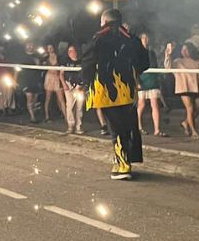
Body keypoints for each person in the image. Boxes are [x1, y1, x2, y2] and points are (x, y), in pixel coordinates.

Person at [82, 10, 149, 181]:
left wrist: (87, 83)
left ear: (104, 20)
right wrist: (131, 74)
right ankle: (125, 161)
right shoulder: (130, 37)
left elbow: (88, 62)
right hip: (128, 90)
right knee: (128, 127)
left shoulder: (99, 37)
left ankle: (122, 165)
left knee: (116, 128)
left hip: (107, 91)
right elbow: (145, 62)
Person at [166, 42, 199, 139]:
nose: (184, 51)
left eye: (186, 49)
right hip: (184, 87)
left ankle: (186, 122)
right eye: (182, 50)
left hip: (196, 88)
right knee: (190, 108)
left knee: (198, 107)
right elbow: (168, 66)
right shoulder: (178, 61)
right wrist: (168, 54)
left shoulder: (197, 62)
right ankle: (194, 131)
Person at [135, 33, 165, 137]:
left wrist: (158, 78)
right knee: (141, 104)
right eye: (143, 38)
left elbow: (155, 66)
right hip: (142, 80)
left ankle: (157, 129)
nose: (146, 40)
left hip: (152, 80)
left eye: (147, 38)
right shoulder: (137, 52)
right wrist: (137, 81)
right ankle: (139, 127)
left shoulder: (152, 53)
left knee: (155, 104)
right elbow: (135, 68)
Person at [60, 44, 86, 134]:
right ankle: (70, 126)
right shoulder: (65, 62)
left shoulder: (81, 61)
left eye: (73, 51)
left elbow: (84, 74)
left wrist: (81, 86)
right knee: (70, 106)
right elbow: (61, 74)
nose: (71, 53)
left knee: (79, 107)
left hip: (79, 86)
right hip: (69, 85)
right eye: (69, 51)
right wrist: (64, 84)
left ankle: (79, 126)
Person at [17, 42, 43, 123]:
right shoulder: (22, 56)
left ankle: (33, 113)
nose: (30, 47)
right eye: (28, 45)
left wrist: (38, 63)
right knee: (29, 98)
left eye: (31, 45)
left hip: (35, 80)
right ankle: (32, 117)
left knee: (35, 99)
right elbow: (17, 69)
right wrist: (16, 79)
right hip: (26, 80)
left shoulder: (37, 56)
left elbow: (40, 68)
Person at [42, 47, 64, 124]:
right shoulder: (45, 57)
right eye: (48, 48)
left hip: (57, 77)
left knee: (61, 99)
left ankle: (66, 116)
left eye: (51, 47)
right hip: (49, 77)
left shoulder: (59, 57)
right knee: (48, 98)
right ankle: (47, 117)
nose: (50, 49)